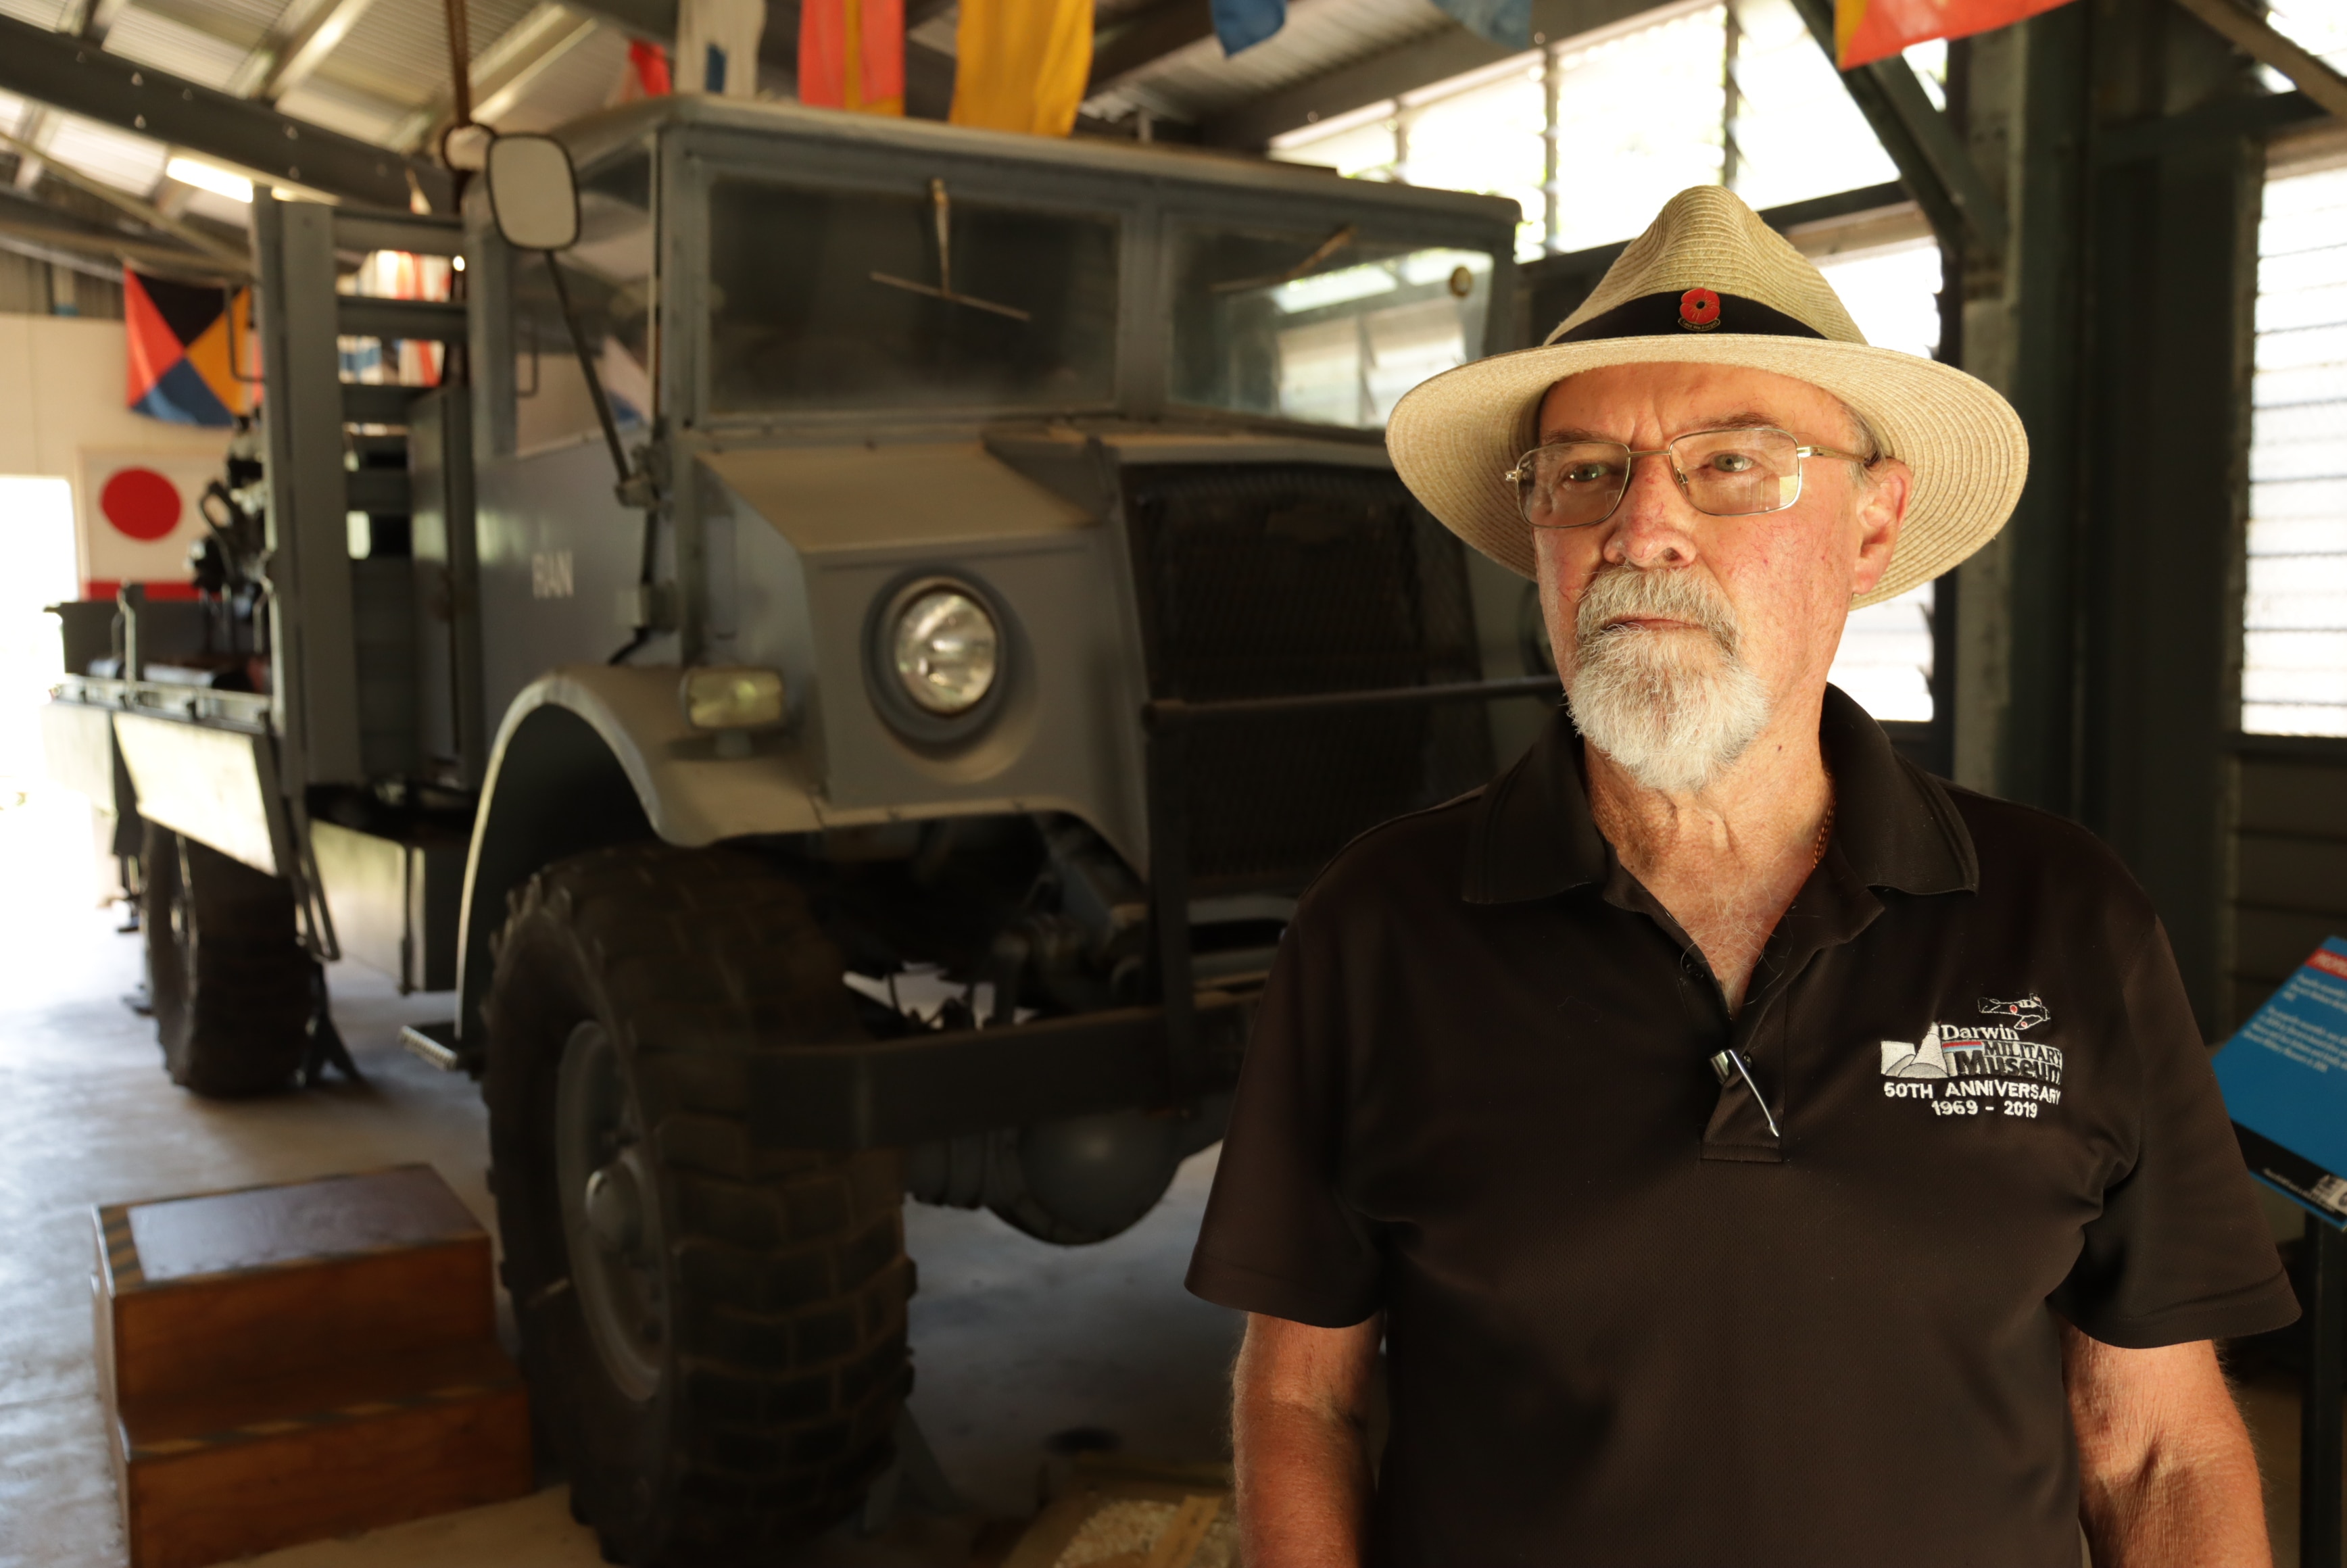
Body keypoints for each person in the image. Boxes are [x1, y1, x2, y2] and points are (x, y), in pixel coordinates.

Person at [1184, 185, 2299, 1567]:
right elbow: (1305, 1393)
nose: (1640, 528)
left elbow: (2155, 1445)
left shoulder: (2060, 917)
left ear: (1872, 526)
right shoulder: (1383, 922)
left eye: (1732, 463)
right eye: (1583, 470)